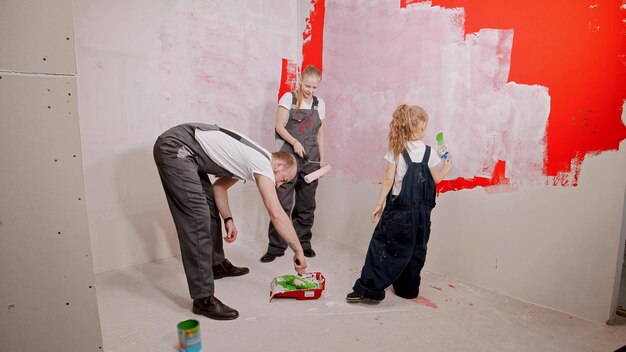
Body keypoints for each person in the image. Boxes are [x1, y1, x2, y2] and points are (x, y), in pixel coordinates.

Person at [153, 123, 307, 320]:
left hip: (189, 150)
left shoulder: (251, 160)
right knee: (197, 217)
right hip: (177, 147)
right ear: (277, 166)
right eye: (283, 179)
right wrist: (298, 251)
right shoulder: (262, 163)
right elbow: (276, 213)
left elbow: (218, 188)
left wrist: (228, 219)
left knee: (207, 203)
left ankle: (216, 264)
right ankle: (203, 299)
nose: (279, 184)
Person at [346, 105, 453, 303]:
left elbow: (388, 180)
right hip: (422, 216)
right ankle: (408, 289)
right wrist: (447, 167)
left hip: (399, 212)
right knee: (416, 250)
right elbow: (437, 179)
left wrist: (379, 204)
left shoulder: (396, 150)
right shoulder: (429, 152)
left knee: (384, 247)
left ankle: (369, 289)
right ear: (420, 127)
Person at [261, 65, 326, 263]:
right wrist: (295, 142)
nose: (310, 91)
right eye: (307, 86)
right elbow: (279, 126)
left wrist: (322, 158)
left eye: (315, 87)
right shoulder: (289, 99)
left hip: (311, 159)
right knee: (281, 202)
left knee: (307, 203)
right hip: (289, 157)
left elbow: (319, 132)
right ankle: (276, 246)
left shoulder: (319, 103)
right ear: (301, 81)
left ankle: (303, 242)